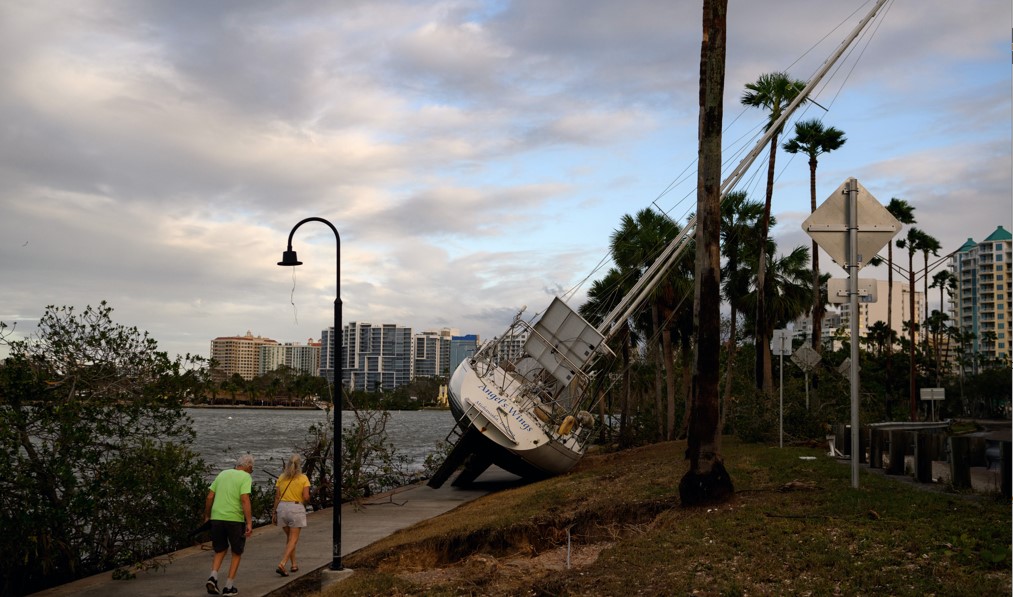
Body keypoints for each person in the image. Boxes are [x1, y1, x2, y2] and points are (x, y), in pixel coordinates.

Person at [203, 454, 254, 596]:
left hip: (217, 517)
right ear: (248, 467)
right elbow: (244, 499)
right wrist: (249, 522)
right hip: (234, 519)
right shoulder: (245, 477)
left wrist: (207, 515)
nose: (251, 472)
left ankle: (213, 577)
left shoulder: (222, 474)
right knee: (237, 552)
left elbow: (209, 496)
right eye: (252, 469)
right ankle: (228, 587)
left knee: (220, 549)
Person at [272, 453, 311, 576]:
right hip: (295, 507)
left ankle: (294, 564)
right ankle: (282, 563)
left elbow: (277, 496)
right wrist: (307, 499)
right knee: (293, 539)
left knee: (289, 539)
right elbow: (305, 496)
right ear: (299, 465)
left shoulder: (281, 477)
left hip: (282, 508)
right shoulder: (303, 478)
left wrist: (274, 512)